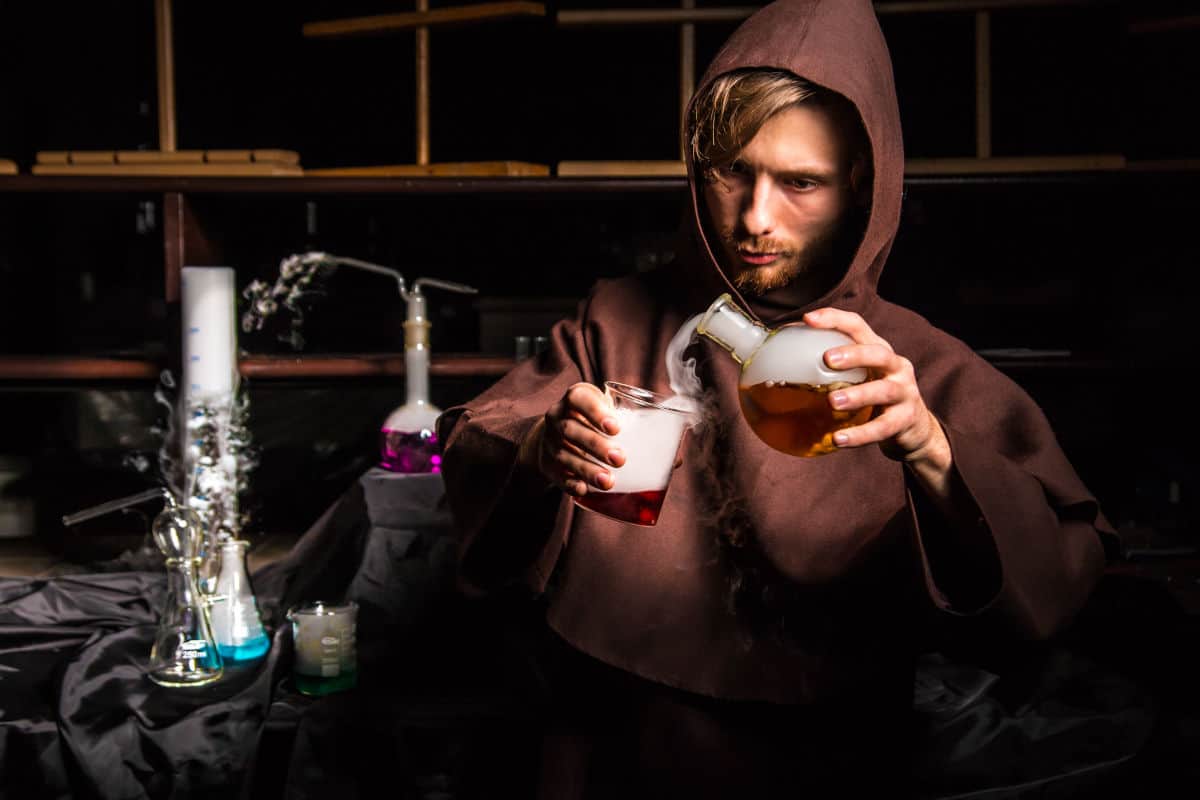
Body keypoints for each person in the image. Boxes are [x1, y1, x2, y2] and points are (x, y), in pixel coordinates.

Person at [437, 0, 1119, 796]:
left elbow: (1058, 570)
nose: (756, 219)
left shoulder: (918, 365)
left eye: (801, 182)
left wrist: (934, 452)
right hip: (609, 750)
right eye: (733, 173)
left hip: (834, 761)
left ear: (863, 186)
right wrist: (538, 449)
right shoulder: (617, 318)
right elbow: (481, 446)